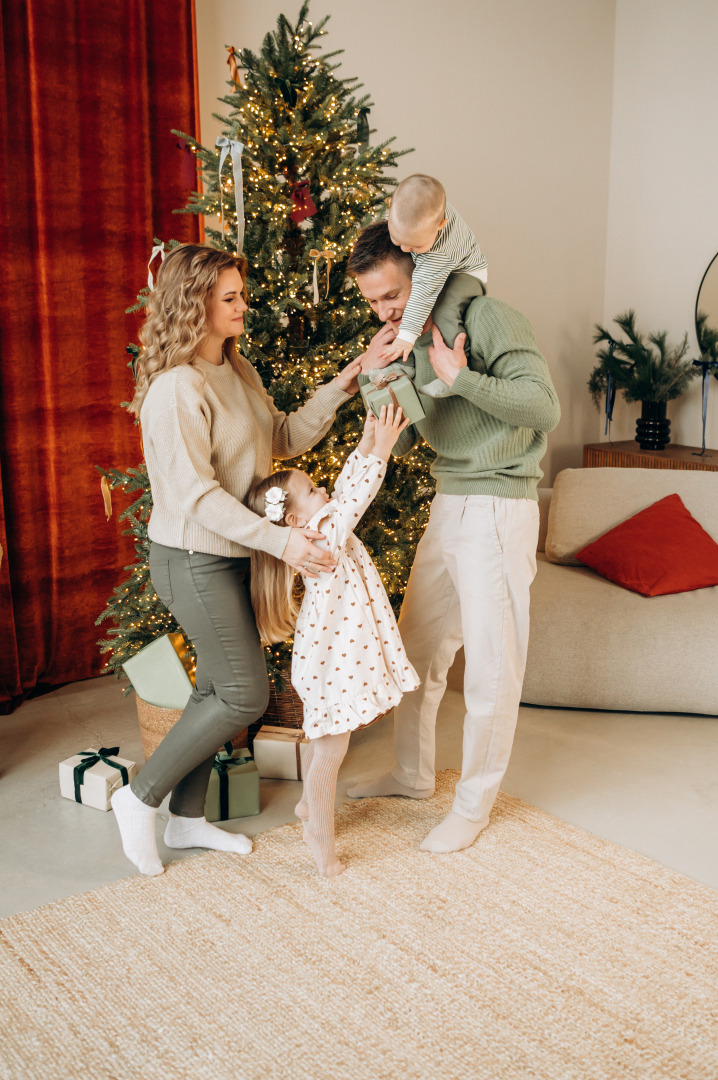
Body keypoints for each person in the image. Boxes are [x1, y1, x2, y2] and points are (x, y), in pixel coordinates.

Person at [111, 243, 363, 876]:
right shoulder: (176, 389)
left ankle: (188, 818)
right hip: (192, 560)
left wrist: (342, 385)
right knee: (245, 694)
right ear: (195, 305)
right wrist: (283, 542)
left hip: (232, 556)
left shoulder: (235, 367)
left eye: (240, 295)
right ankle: (138, 799)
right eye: (231, 298)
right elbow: (197, 497)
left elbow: (278, 436)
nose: (244, 306)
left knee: (218, 690)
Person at [345, 221, 561, 854]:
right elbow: (404, 431)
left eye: (391, 294)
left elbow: (543, 406)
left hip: (500, 503)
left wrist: (460, 376)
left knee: (493, 665)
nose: (386, 310)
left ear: (421, 270)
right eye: (374, 302)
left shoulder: (492, 318)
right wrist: (375, 375)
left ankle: (473, 805)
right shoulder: (407, 337)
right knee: (415, 646)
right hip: (451, 499)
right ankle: (412, 775)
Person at [247, 405, 419, 877]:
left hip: (335, 660)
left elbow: (343, 491)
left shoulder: (322, 527)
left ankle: (307, 808)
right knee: (329, 752)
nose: (322, 489)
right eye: (311, 490)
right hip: (330, 668)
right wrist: (380, 453)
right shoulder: (321, 540)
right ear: (294, 521)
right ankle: (319, 838)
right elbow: (352, 501)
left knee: (331, 746)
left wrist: (367, 442)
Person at [377, 174, 488, 399]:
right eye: (398, 240)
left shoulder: (440, 252)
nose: (406, 249)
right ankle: (405, 364)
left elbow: (422, 294)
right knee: (401, 305)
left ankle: (454, 372)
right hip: (432, 264)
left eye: (416, 244)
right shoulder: (404, 213)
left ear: (441, 225)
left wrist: (407, 336)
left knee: (443, 310)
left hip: (465, 272)